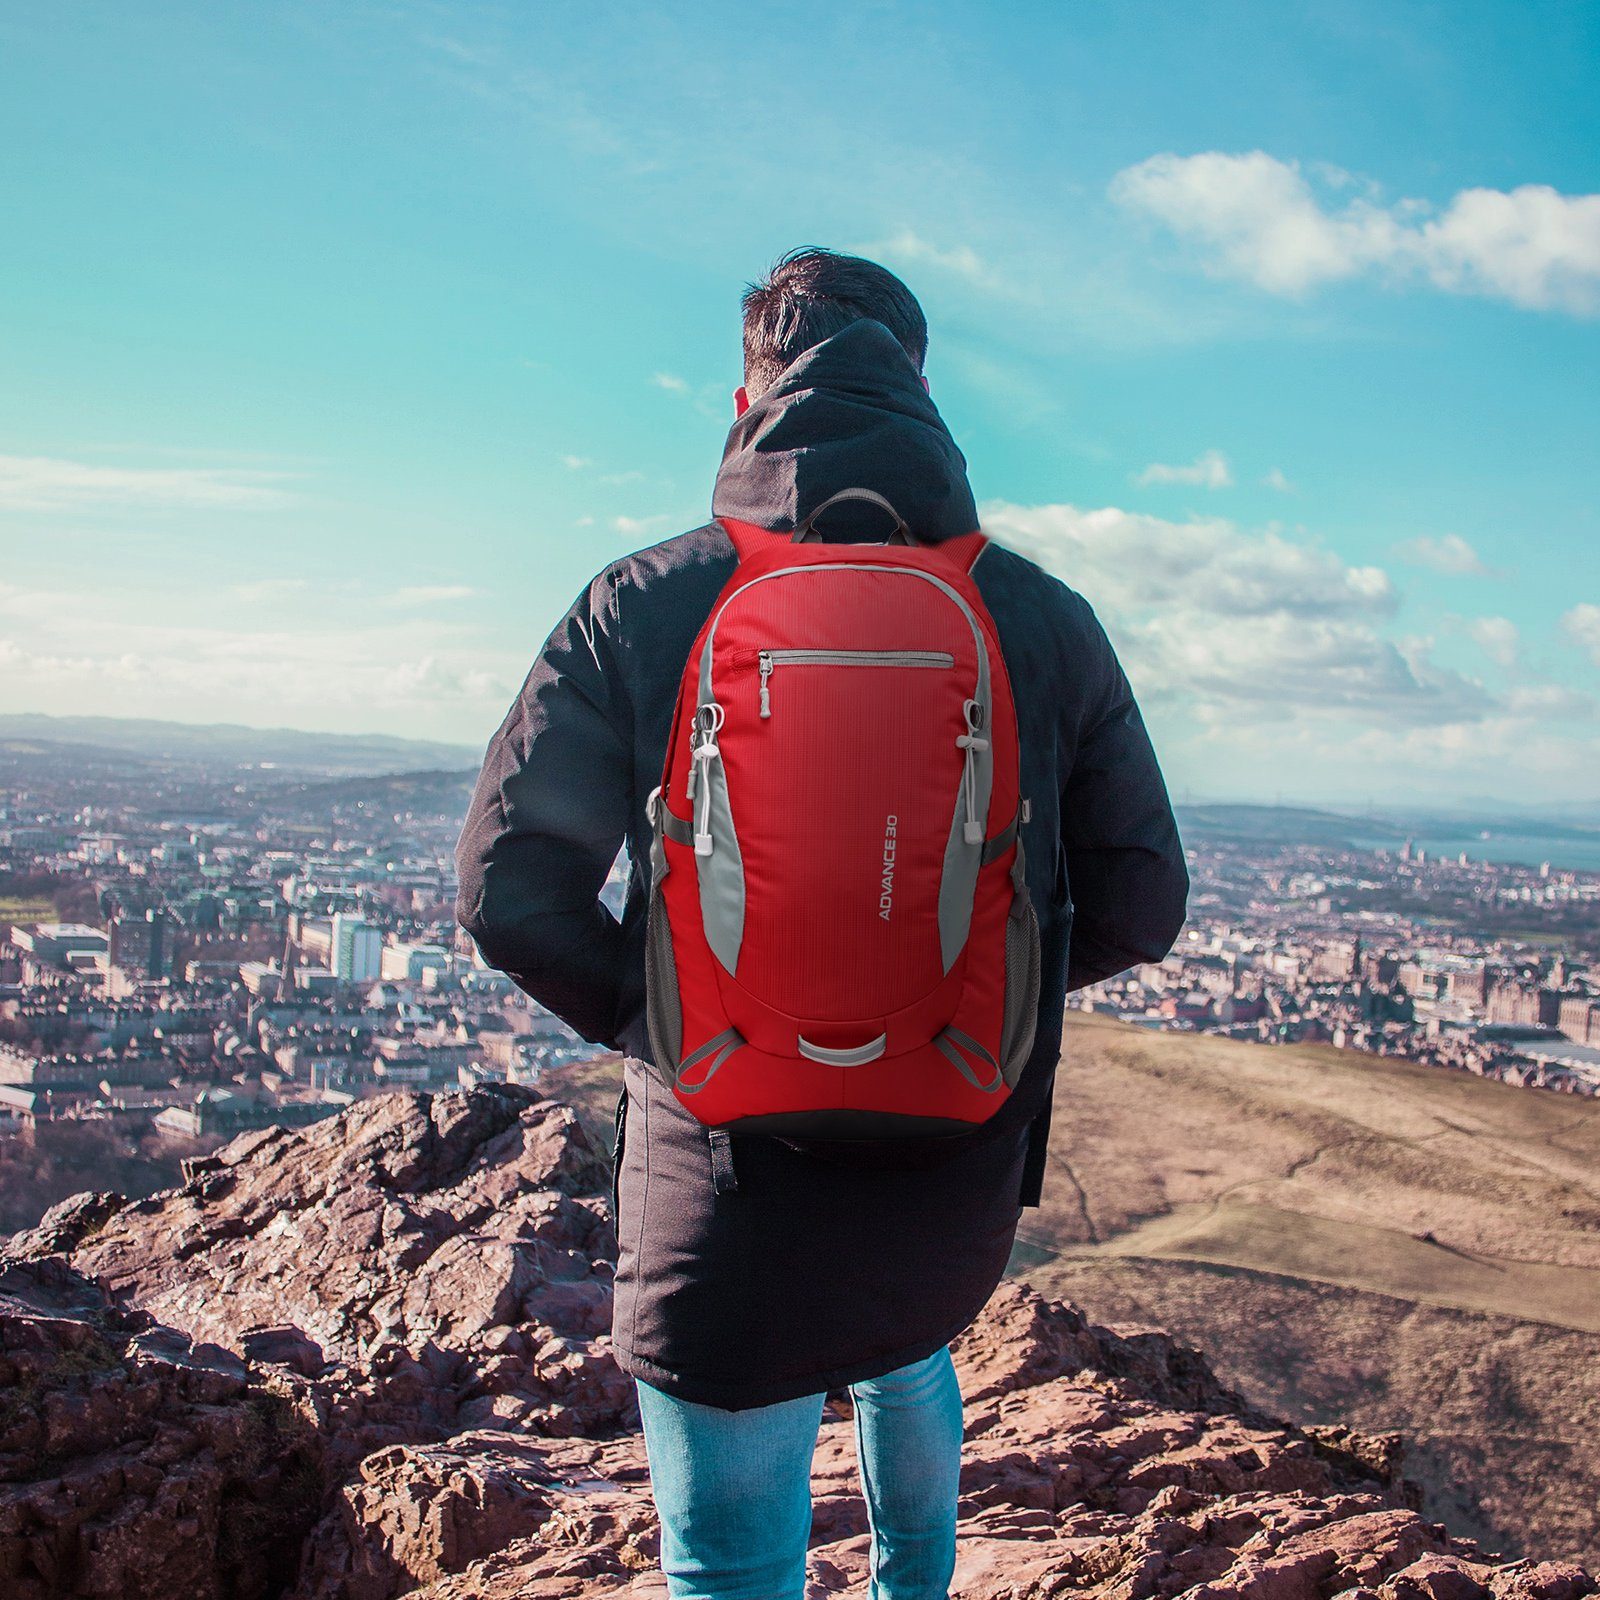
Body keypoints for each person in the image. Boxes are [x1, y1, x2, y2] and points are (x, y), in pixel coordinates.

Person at [455, 247, 1188, 1600]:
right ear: (919, 386)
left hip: (722, 1181)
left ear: (746, 394)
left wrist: (672, 1012)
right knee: (910, 1344)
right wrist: (977, 985)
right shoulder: (1039, 616)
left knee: (731, 1562)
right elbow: (1145, 899)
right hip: (948, 1160)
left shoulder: (647, 600)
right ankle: (916, 1585)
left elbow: (510, 893)